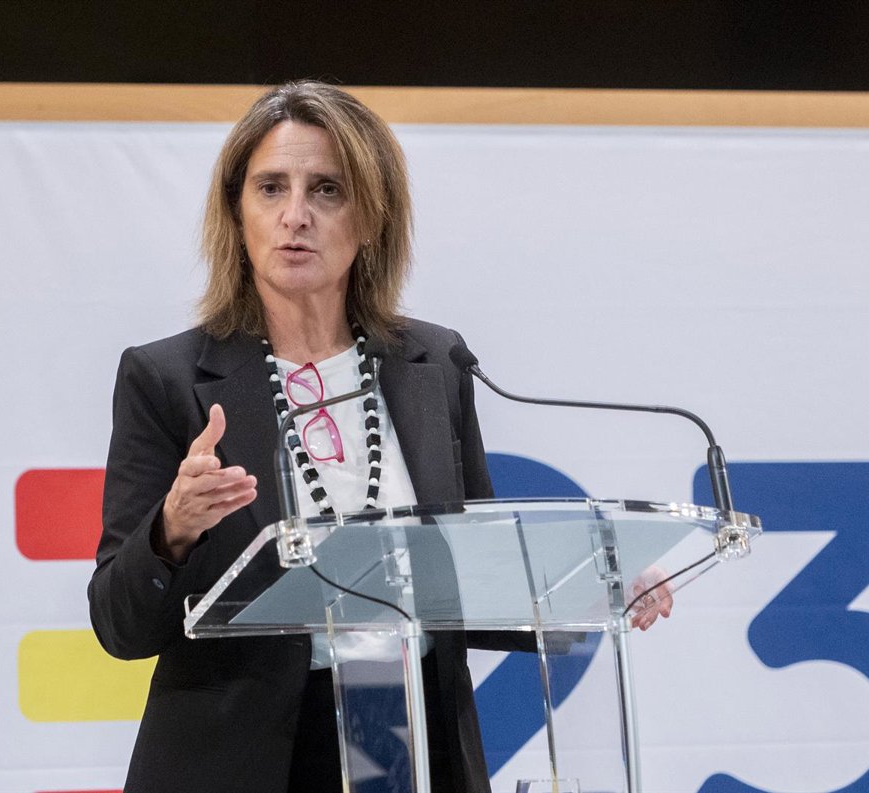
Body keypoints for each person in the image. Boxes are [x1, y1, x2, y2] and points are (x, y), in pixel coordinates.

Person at [88, 80, 671, 793]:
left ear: (370, 217)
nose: (295, 215)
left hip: (412, 742)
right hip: (247, 762)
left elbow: (471, 577)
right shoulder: (167, 379)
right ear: (236, 214)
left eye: (326, 190)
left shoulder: (433, 363)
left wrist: (596, 583)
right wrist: (171, 530)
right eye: (270, 188)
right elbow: (118, 625)